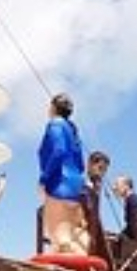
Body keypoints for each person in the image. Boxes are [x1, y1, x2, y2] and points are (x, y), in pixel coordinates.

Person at [38, 92, 86, 252]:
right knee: (75, 235)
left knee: (59, 238)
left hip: (59, 185)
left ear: (52, 107)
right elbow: (80, 164)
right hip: (76, 187)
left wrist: (44, 179)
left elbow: (58, 151)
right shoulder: (73, 132)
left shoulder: (55, 125)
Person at [111, 174, 137, 244]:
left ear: (126, 186)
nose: (114, 188)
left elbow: (135, 227)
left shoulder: (132, 200)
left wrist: (120, 237)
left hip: (134, 246)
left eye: (117, 184)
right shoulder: (135, 200)